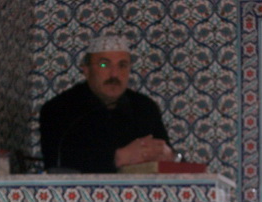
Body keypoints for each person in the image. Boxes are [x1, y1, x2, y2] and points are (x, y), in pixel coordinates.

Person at [39, 34, 175, 173]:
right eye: (104, 64)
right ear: (86, 70)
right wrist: (118, 158)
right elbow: (56, 163)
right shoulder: (58, 109)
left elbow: (169, 156)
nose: (114, 74)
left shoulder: (145, 107)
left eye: (122, 65)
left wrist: (169, 156)